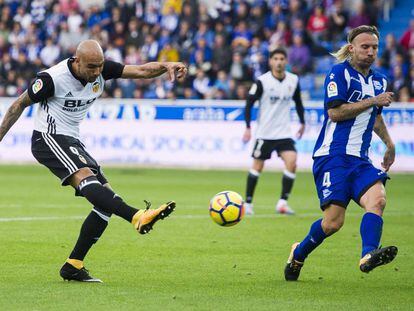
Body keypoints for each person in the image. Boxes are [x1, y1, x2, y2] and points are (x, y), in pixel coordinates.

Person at [0, 40, 187, 283]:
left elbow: (141, 70)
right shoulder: (51, 79)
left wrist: (166, 64)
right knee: (90, 185)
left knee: (106, 201)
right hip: (48, 138)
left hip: (73, 141)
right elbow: (18, 105)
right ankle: (137, 216)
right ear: (76, 61)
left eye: (99, 66)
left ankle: (73, 265)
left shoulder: (102, 69)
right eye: (91, 67)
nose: (97, 72)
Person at [284, 26, 398, 281]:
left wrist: (389, 144)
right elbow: (335, 113)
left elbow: (375, 117)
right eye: (365, 47)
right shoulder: (339, 74)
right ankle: (298, 253)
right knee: (333, 223)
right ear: (351, 49)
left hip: (360, 159)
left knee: (378, 199)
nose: (370, 52)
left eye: (374, 47)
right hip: (332, 156)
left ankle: (368, 254)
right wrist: (372, 100)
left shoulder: (379, 80)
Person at [242, 48, 305, 215]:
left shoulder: (293, 80)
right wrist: (248, 127)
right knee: (257, 166)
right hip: (265, 133)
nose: (279, 61)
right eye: (275, 58)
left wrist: (302, 122)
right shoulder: (262, 81)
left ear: (286, 61)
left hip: (284, 132)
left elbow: (298, 102)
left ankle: (282, 203)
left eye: (282, 58)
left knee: (292, 162)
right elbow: (248, 103)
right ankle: (248, 203)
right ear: (270, 61)